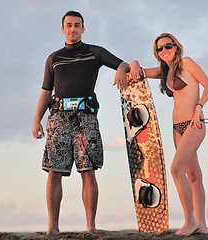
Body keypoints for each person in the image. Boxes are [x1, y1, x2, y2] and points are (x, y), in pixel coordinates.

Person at [32, 11, 130, 235]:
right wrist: (36, 120)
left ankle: (90, 226)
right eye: (69, 25)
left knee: (88, 171)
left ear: (83, 29)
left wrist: (123, 69)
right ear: (62, 29)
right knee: (54, 172)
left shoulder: (94, 52)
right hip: (58, 118)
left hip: (86, 119)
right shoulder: (53, 58)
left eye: (77, 25)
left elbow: (121, 63)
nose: (73, 29)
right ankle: (53, 227)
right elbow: (46, 91)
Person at [130, 33, 208, 236]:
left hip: (194, 123)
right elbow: (139, 72)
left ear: (176, 46)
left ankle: (190, 221)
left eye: (168, 46)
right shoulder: (165, 71)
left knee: (176, 169)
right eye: (159, 48)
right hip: (177, 127)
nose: (164, 50)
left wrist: (198, 107)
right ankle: (202, 224)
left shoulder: (186, 62)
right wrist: (132, 62)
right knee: (193, 174)